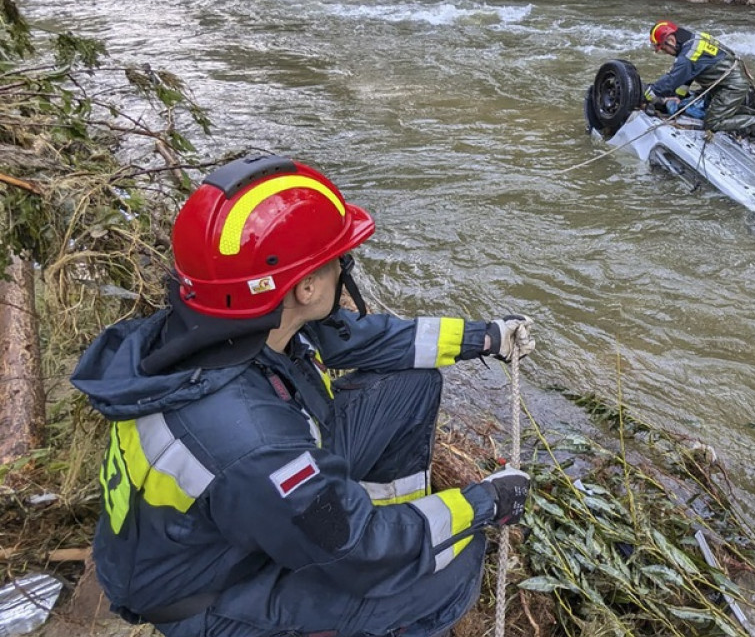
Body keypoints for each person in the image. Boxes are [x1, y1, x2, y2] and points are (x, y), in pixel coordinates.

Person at [72, 154, 536, 637]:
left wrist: (488, 338)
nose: (344, 268)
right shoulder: (257, 443)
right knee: (455, 560)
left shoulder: (234, 321)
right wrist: (486, 502)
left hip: (237, 520)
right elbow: (361, 547)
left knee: (411, 384)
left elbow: (368, 338)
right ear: (307, 288)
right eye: (339, 261)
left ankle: (354, 523)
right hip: (208, 597)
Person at [644, 20, 755, 139]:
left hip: (732, 87)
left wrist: (647, 94)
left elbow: (671, 80)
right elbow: (687, 76)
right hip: (723, 83)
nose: (665, 52)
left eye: (664, 48)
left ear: (671, 40)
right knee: (703, 108)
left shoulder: (688, 56)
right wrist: (678, 96)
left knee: (712, 123)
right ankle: (746, 114)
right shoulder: (693, 41)